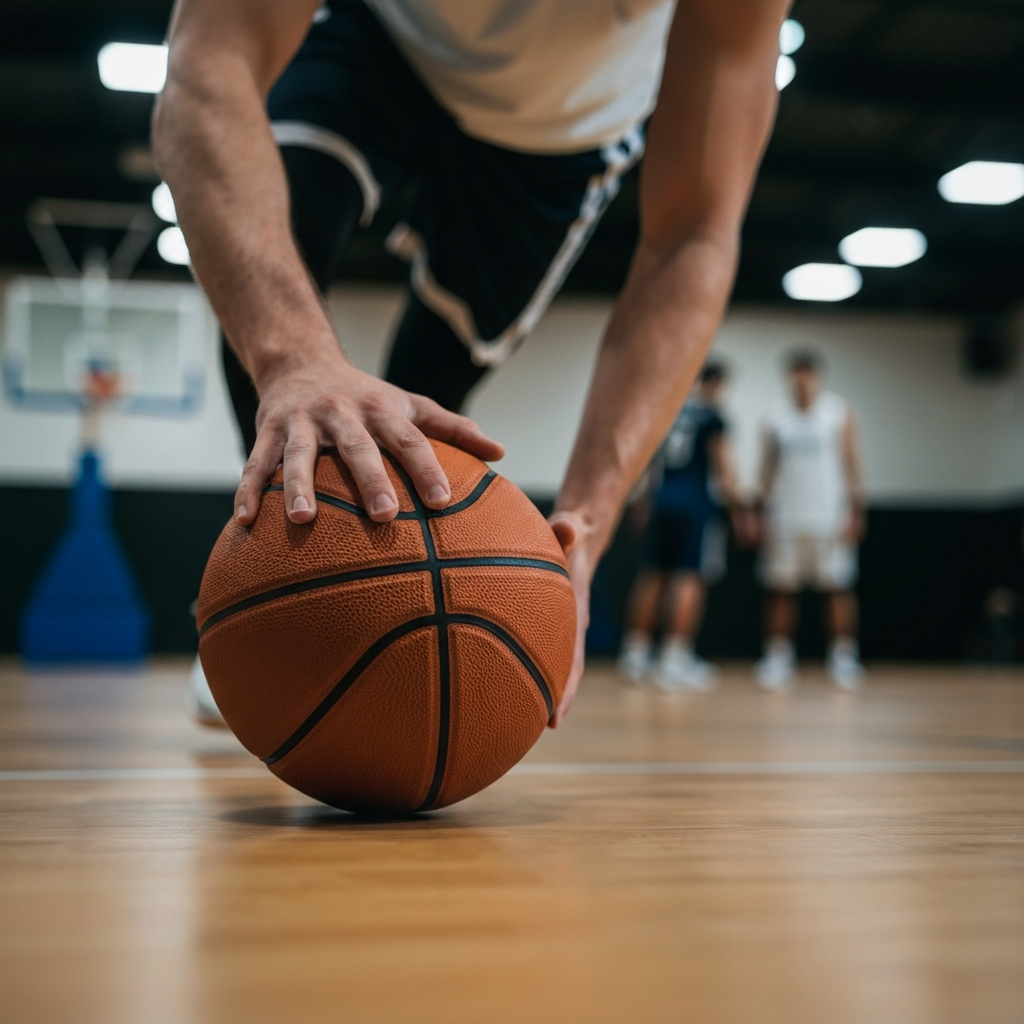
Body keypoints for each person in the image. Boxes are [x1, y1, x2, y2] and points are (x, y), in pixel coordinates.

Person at [153, 0, 789, 727]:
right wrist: (294, 360)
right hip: (376, 32)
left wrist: (588, 517)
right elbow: (205, 71)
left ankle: (375, 619)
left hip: (562, 134)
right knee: (281, 286)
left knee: (425, 408)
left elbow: (695, 235)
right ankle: (280, 575)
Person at [619, 361, 746, 689]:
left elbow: (652, 465)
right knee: (688, 578)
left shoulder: (669, 412)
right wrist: (741, 510)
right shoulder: (713, 416)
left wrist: (644, 502)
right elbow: (722, 467)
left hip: (661, 502)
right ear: (714, 383)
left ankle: (635, 653)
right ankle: (674, 658)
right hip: (694, 506)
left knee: (653, 574)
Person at [754, 351, 866, 690]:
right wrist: (759, 514)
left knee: (837, 588)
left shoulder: (837, 413)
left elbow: (851, 462)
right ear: (788, 376)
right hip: (785, 519)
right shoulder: (775, 417)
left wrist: (856, 510)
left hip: (830, 518)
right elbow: (767, 469)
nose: (801, 379)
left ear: (817, 376)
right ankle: (777, 657)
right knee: (781, 589)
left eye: (807, 372)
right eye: (795, 372)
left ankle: (843, 657)